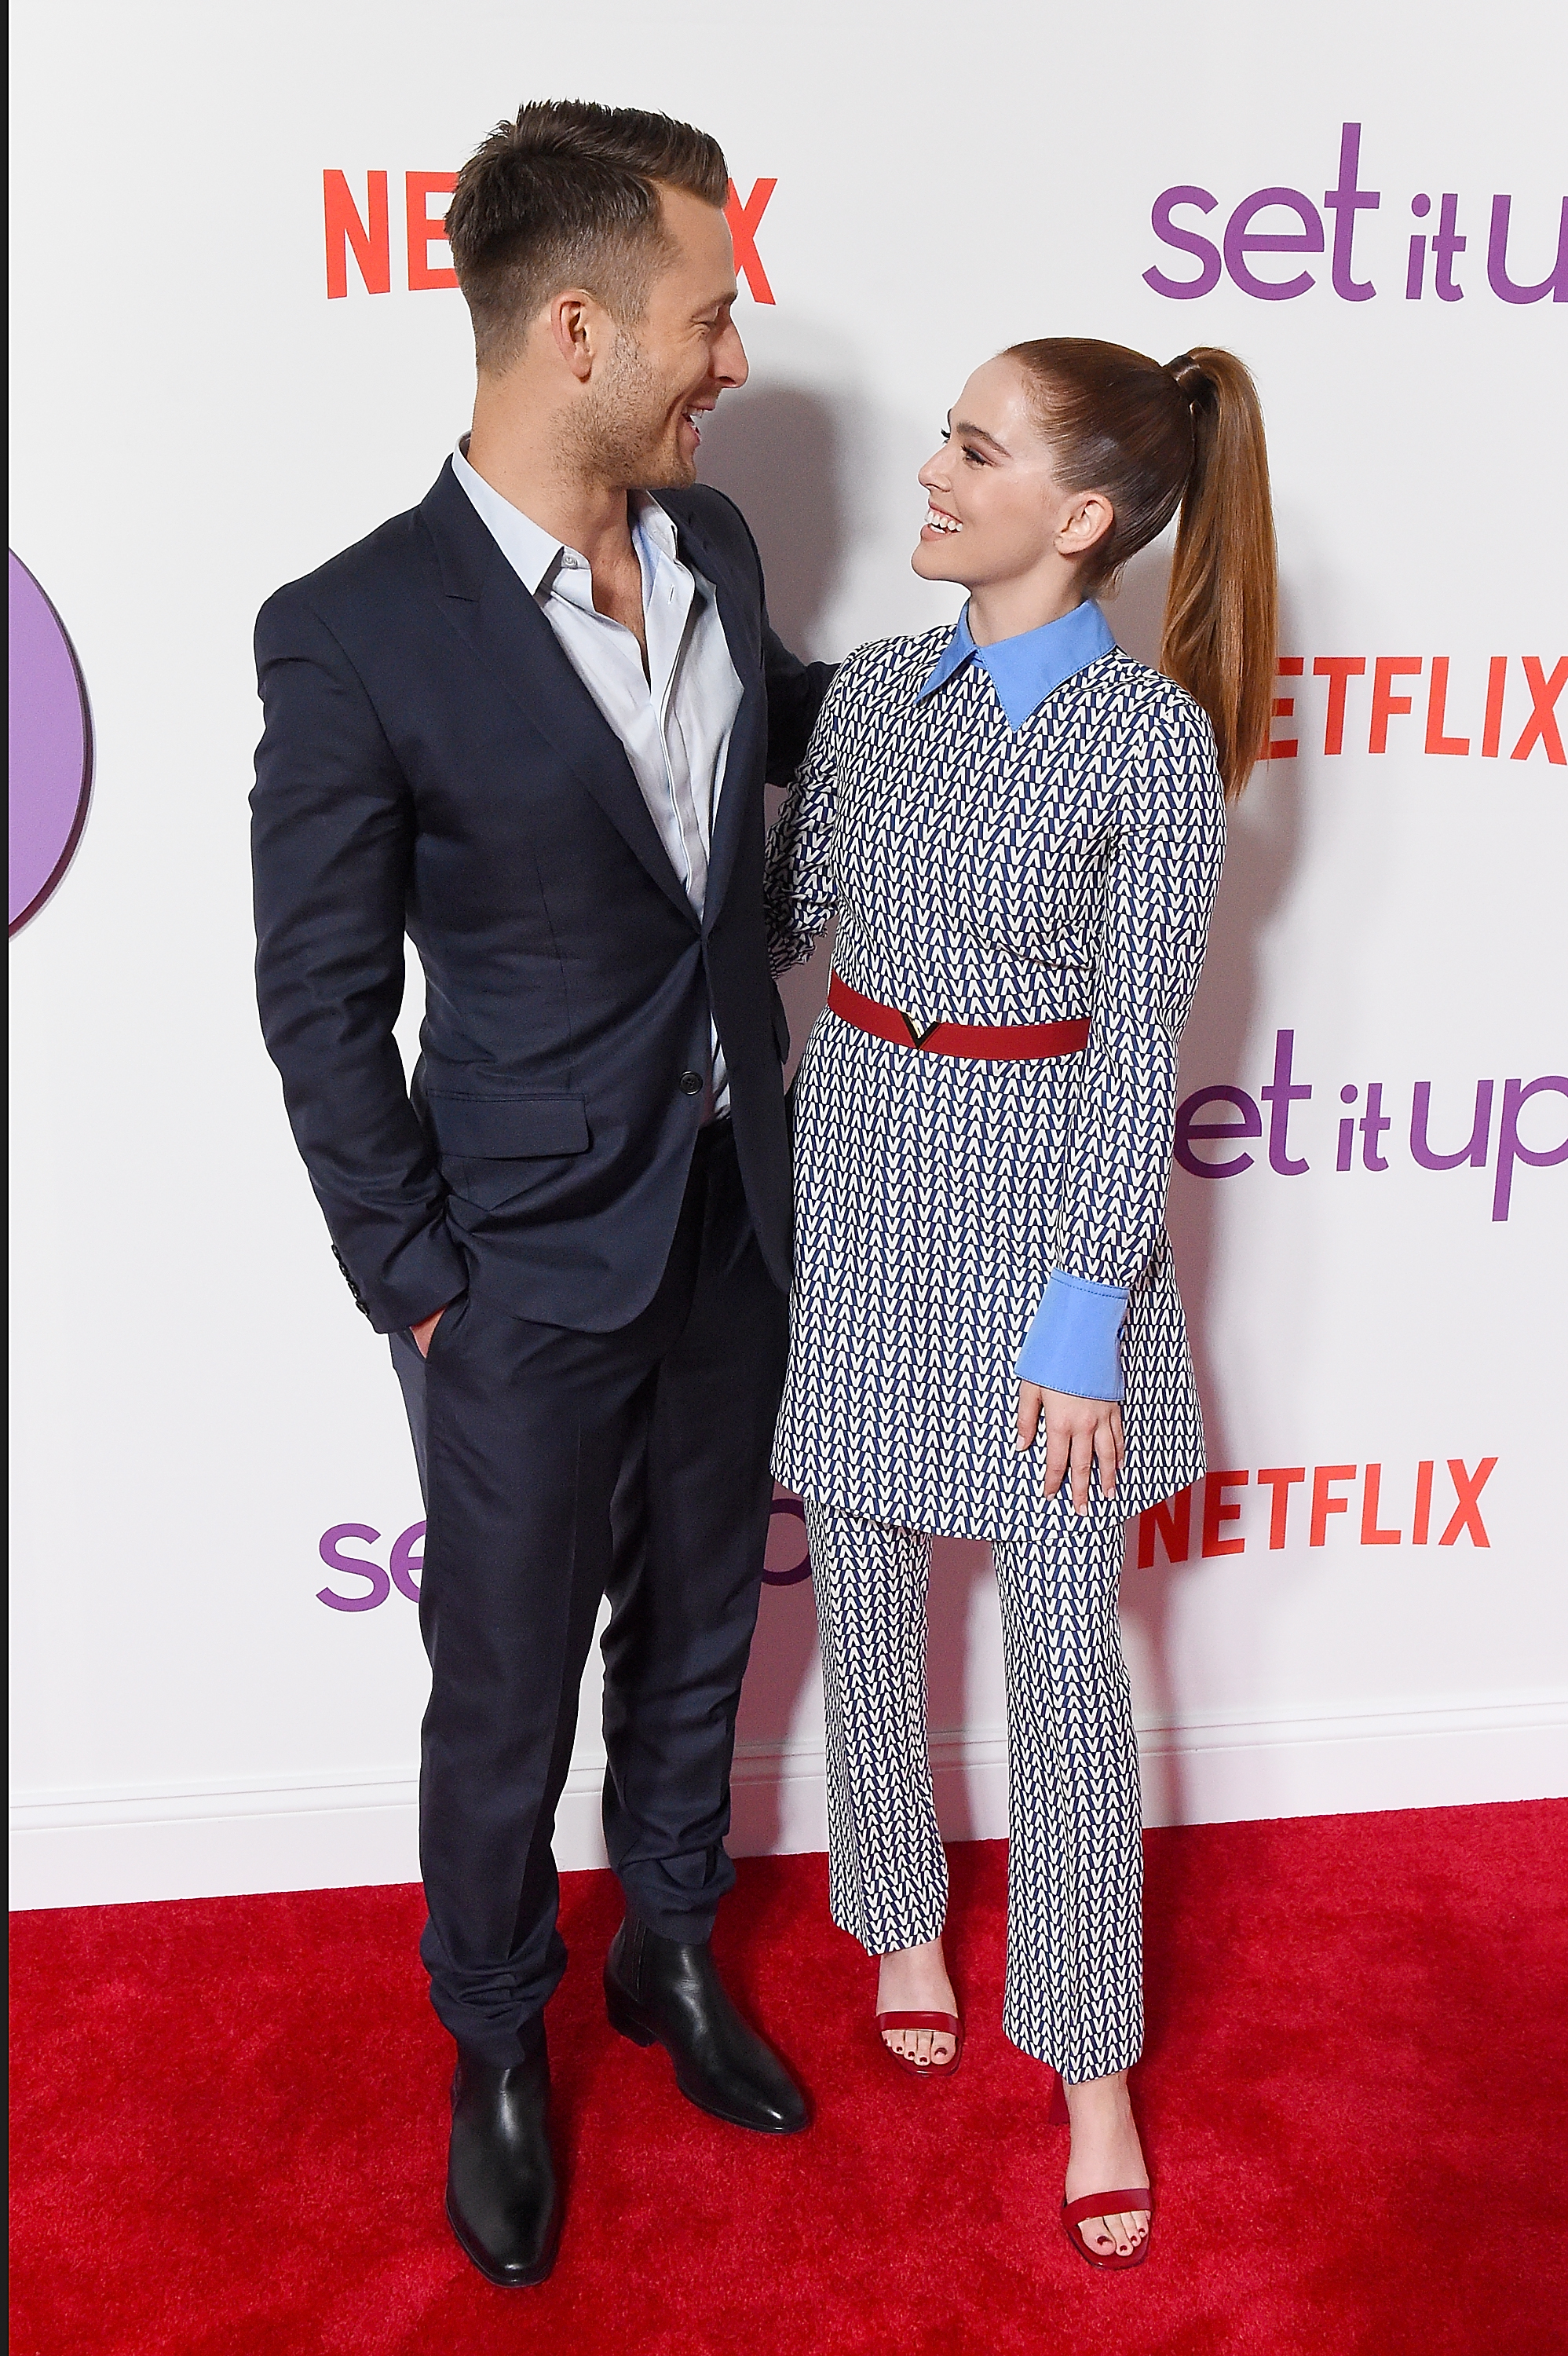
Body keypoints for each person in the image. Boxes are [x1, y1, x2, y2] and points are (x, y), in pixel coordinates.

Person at [251, 101, 834, 2289]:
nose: (733, 364)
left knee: (700, 1621)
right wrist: (417, 1285)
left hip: (725, 1210)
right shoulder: (351, 632)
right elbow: (317, 1006)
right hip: (508, 1270)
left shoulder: (715, 555)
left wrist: (988, 676)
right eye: (705, 318)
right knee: (500, 1689)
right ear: (574, 327)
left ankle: (662, 1949)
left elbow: (762, 730)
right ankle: (496, 2044)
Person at [765, 338, 1274, 2269]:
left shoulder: (1144, 744)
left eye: (971, 451)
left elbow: (1139, 1045)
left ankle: (1090, 2059)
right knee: (873, 1591)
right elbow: (783, 924)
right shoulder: (884, 693)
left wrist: (1082, 1322)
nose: (930, 474)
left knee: (1064, 1663)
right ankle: (895, 1907)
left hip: (1050, 1207)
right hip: (863, 1160)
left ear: (1077, 517)